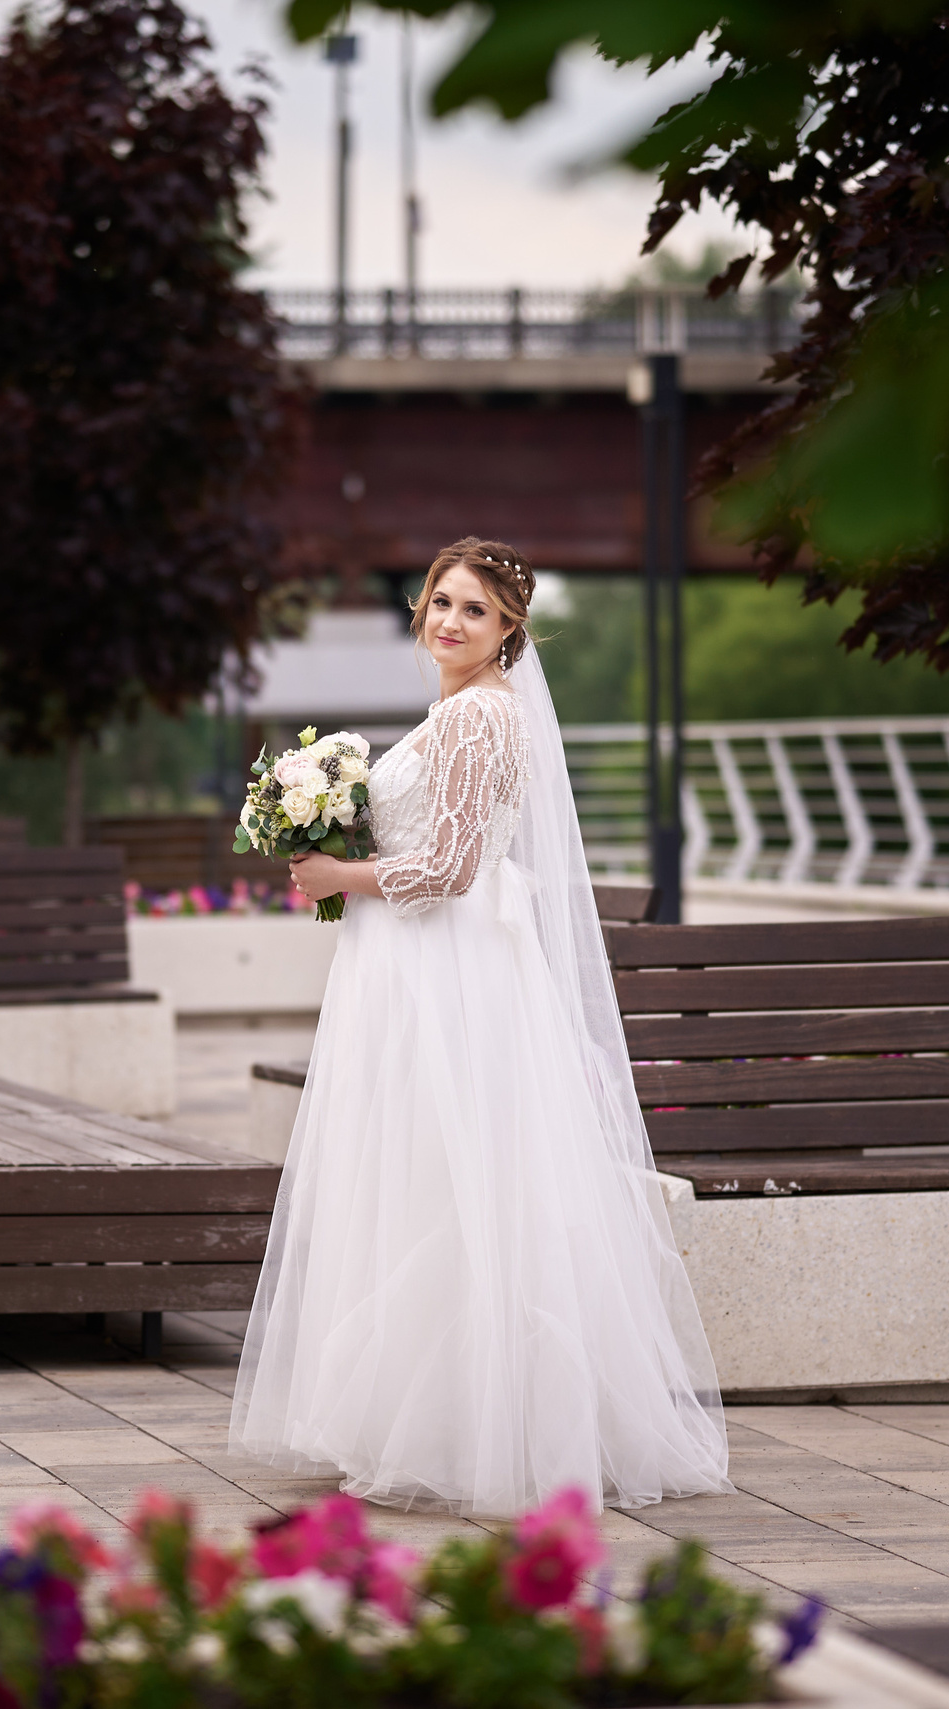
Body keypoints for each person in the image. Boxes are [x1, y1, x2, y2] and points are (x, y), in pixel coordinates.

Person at [228, 536, 732, 1517]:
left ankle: (483, 1424)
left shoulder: (479, 719)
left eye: (473, 610)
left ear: (508, 630)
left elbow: (450, 868)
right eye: (439, 602)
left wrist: (337, 875)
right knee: (421, 1180)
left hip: (446, 966)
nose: (448, 621)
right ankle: (427, 1413)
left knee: (457, 1180)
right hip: (413, 964)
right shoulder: (455, 712)